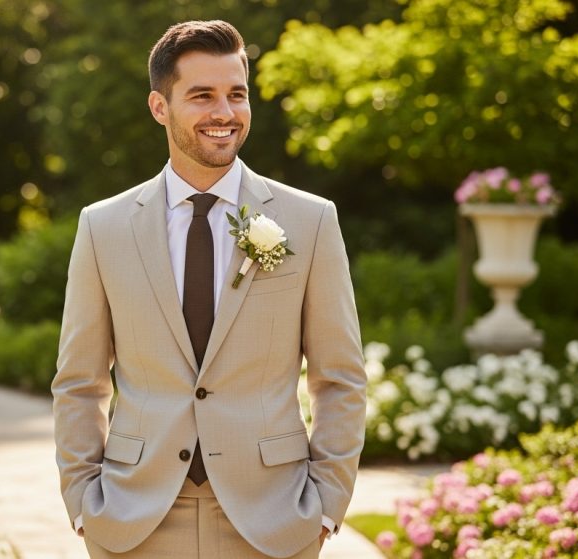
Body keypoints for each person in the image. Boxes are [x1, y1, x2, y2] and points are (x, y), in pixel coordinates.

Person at [52, 19, 367, 559]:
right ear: (159, 107)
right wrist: (83, 502)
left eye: (236, 95)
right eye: (203, 96)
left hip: (274, 519)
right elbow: (79, 382)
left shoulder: (310, 221)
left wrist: (327, 506)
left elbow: (339, 378)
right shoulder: (102, 227)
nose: (225, 113)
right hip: (135, 519)